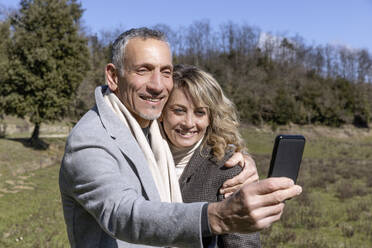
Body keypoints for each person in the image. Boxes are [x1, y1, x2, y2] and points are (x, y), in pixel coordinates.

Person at [59, 27, 302, 248]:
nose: (156, 85)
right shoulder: (90, 140)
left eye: (165, 72)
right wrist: (217, 216)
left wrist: (240, 159)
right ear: (113, 76)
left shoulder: (148, 129)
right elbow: (122, 213)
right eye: (143, 70)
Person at [161, 64, 261, 247]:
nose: (189, 123)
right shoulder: (140, 154)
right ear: (161, 111)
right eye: (179, 110)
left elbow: (244, 243)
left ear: (210, 117)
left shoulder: (227, 168)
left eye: (200, 112)